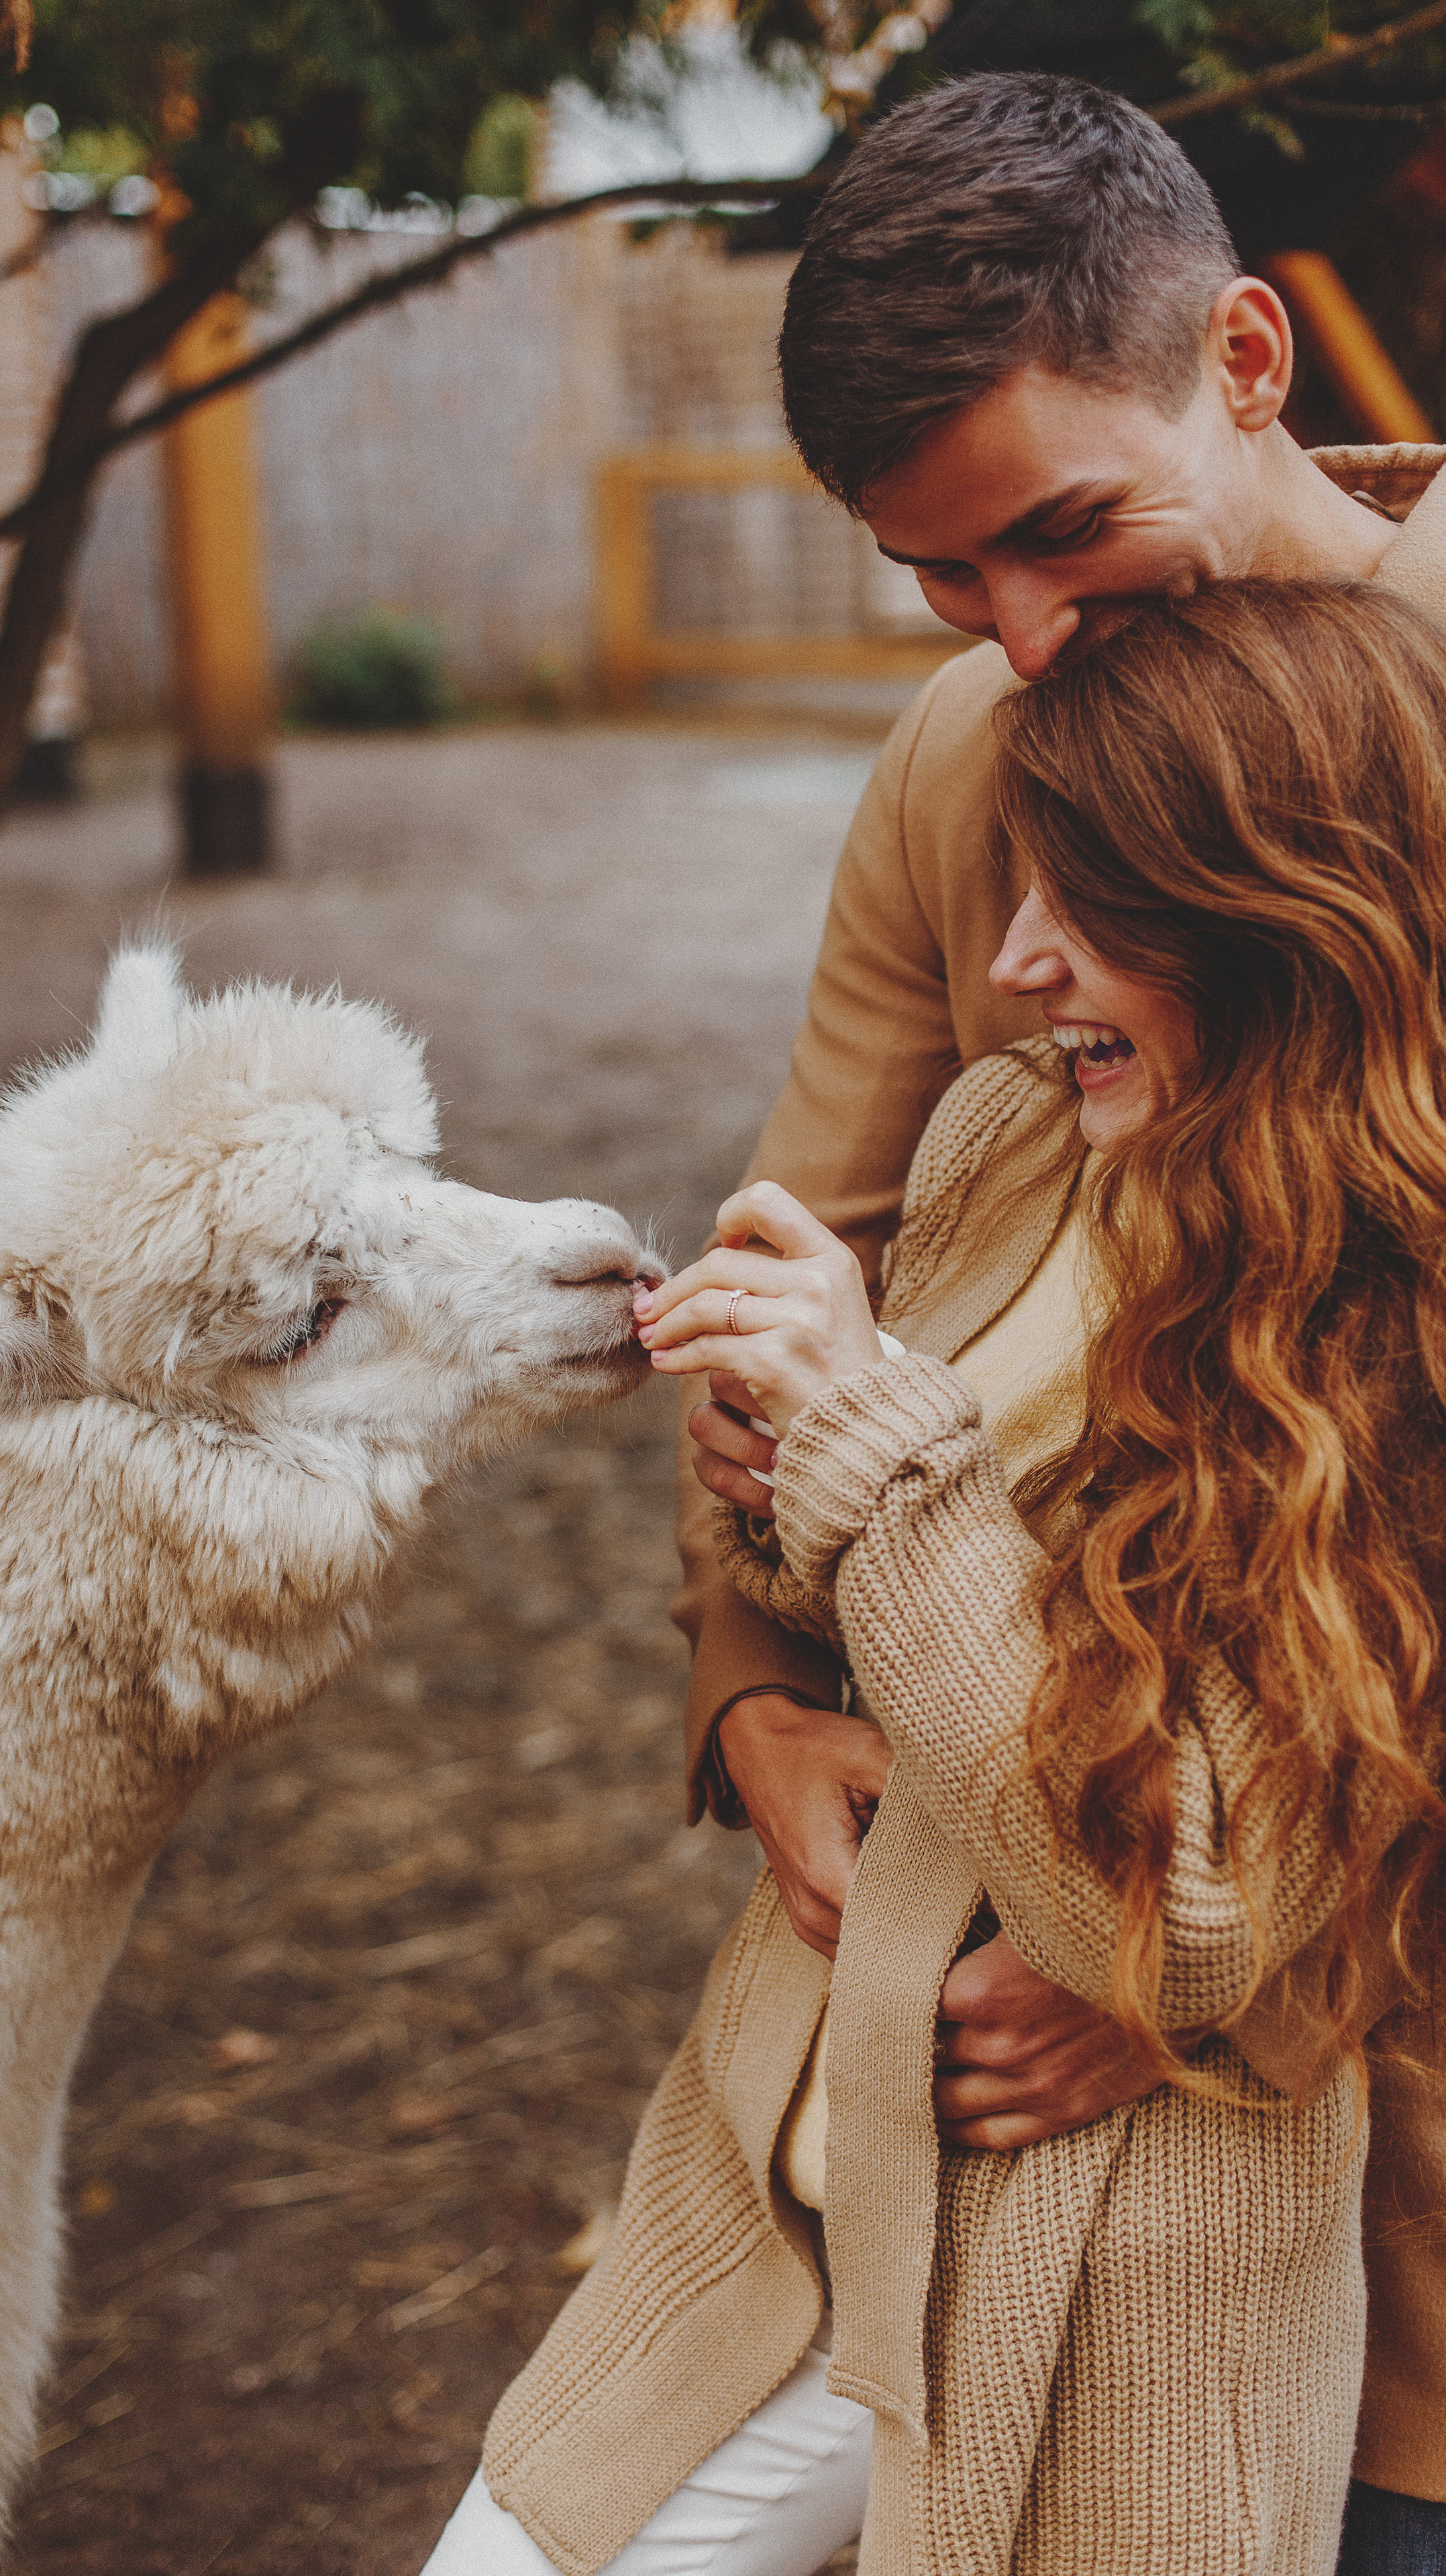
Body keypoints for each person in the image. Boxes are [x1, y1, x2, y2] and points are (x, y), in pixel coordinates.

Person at [421, 579, 1446, 2575]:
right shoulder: (1017, 1133)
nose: (1016, 961)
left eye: (1091, 905)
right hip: (789, 2178)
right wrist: (765, 1476)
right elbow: (859, 1579)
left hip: (1108, 2285)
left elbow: (1188, 1907)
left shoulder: (1387, 1337)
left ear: (1277, 911)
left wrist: (872, 1449)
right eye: (1020, 889)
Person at [668, 70, 1446, 2569]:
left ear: (1243, 360)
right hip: (1066, 2203)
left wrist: (1249, 1966)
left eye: (1064, 536)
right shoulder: (969, 752)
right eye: (939, 581)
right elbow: (828, 1252)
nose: (1016, 645)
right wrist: (751, 1700)